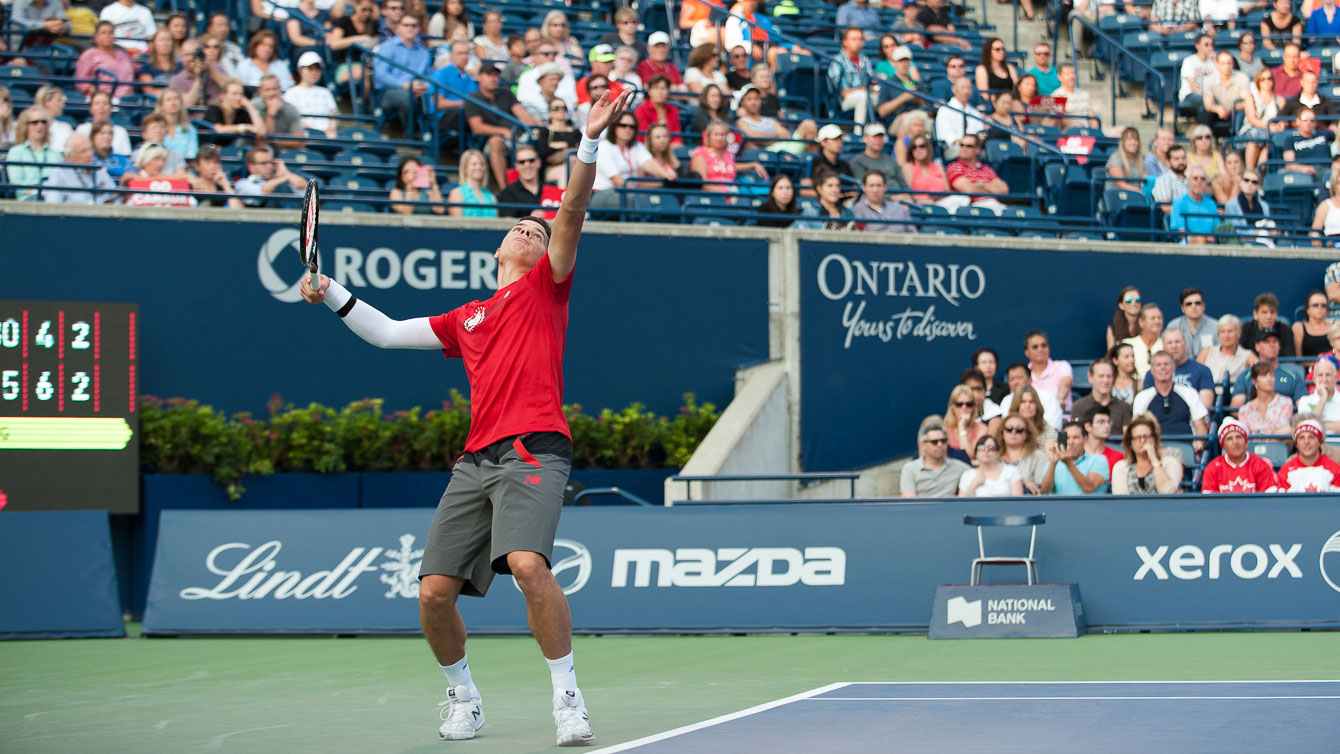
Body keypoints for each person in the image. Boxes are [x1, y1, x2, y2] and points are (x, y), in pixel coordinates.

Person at [298, 90, 630, 748]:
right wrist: (330, 292)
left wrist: (588, 142)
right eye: (522, 228)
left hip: (535, 449)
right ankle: (464, 698)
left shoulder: (547, 287)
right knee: (432, 593)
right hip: (475, 462)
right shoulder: (466, 318)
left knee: (528, 565)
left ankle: (568, 698)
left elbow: (572, 208)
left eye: (539, 232)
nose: (531, 232)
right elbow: (388, 332)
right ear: (499, 248)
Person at [465, 63, 538, 190]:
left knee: (535, 142)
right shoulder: (472, 98)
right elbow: (477, 127)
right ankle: (504, 190)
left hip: (518, 135)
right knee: (495, 142)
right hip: (493, 140)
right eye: (489, 75)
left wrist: (535, 128)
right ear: (479, 77)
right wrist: (503, 131)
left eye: (496, 75)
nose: (493, 78)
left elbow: (522, 114)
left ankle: (533, 188)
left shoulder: (506, 93)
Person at [592, 111, 675, 202]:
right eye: (623, 125)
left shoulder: (637, 146)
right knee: (641, 201)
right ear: (614, 126)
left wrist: (666, 174)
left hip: (627, 193)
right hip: (604, 193)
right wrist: (638, 192)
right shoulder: (604, 146)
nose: (628, 129)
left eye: (632, 127)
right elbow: (617, 180)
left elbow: (649, 163)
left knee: (663, 199)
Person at [1131, 351, 1209, 447]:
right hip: (1154, 449)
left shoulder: (1189, 393)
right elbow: (1137, 429)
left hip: (1186, 448)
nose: (1162, 367)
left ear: (1174, 368)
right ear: (1152, 370)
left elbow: (1200, 425)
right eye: (1158, 365)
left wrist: (1199, 444)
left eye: (1166, 364)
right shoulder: (1142, 397)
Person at [1231, 326, 1306, 407]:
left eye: (1275, 341)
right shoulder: (1245, 375)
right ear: (1257, 346)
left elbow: (1302, 406)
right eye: (1266, 342)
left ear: (1279, 346)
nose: (1272, 345)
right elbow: (1235, 409)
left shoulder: (1293, 376)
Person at [1110, 413, 1185, 494]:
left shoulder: (1169, 462)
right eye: (1137, 437)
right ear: (1130, 443)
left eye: (1146, 436)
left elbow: (1168, 493)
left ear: (1154, 439)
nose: (1142, 441)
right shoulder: (1121, 467)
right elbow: (1121, 498)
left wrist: (1154, 461)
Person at [1141, 328, 1215, 409]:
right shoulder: (1153, 373)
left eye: (1177, 342)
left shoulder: (1202, 370)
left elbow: (1205, 406)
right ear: (1163, 346)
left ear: (1185, 344)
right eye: (1169, 343)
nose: (1174, 346)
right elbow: (1147, 403)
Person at [1200, 418, 1279, 492]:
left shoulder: (1261, 465)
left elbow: (1270, 499)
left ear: (1246, 443)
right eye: (1229, 439)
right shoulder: (1213, 468)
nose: (1235, 442)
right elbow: (1208, 500)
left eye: (1239, 437)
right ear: (1223, 446)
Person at [41, 133, 117, 205]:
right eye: (83, 151)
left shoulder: (99, 171)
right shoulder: (60, 173)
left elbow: (116, 199)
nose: (90, 154)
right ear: (70, 156)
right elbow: (53, 204)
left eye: (90, 149)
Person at [900, 421, 970, 497]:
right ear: (922, 445)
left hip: (950, 505)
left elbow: (975, 473)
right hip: (922, 505)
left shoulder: (958, 467)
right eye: (934, 442)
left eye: (943, 441)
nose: (940, 445)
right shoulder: (910, 469)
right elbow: (908, 499)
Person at [1042, 420, 1111, 495]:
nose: (1071, 442)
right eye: (1067, 438)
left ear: (1085, 439)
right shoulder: (1052, 463)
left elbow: (1089, 488)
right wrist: (1053, 463)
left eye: (1075, 437)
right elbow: (1044, 492)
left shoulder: (1099, 460)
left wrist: (1068, 463)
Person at [6, 108, 61, 201]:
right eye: (35, 122)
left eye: (43, 122)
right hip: (27, 201)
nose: (40, 125)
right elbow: (17, 183)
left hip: (53, 200)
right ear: (25, 126)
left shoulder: (56, 154)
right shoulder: (16, 152)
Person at [945, 135, 1009, 214]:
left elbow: (1003, 189)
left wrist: (979, 184)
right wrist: (990, 189)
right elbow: (969, 190)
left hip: (994, 204)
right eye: (961, 145)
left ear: (977, 149)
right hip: (972, 208)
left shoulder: (985, 168)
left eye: (969, 146)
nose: (964, 148)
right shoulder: (954, 167)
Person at [77, 22, 139, 100]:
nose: (107, 36)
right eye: (103, 33)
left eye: (110, 33)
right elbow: (82, 80)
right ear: (96, 37)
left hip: (128, 99)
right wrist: (100, 95)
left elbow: (137, 68)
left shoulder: (122, 54)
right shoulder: (89, 54)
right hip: (104, 99)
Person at [284, 53, 340, 137]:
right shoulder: (291, 92)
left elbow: (333, 114)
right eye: (310, 68)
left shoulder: (326, 92)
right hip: (304, 135)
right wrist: (315, 133)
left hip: (327, 136)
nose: (314, 72)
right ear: (300, 70)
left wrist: (330, 129)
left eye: (317, 69)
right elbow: (292, 117)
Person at [1072, 358, 1134, 434]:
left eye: (1109, 376)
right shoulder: (1079, 407)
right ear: (1090, 378)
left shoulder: (1124, 407)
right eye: (1101, 376)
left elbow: (1127, 437)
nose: (1105, 381)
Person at [1278, 417, 1340, 491]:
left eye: (1311, 437)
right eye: (1301, 438)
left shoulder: (1334, 469)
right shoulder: (1286, 471)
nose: (1306, 442)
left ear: (1320, 443)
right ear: (1296, 444)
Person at [234, 145, 307, 207]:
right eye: (263, 163)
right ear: (251, 167)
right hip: (264, 218)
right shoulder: (242, 184)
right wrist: (285, 177)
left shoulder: (283, 179)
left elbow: (304, 192)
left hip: (289, 215)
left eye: (271, 162)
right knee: (281, 187)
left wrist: (286, 173)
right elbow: (260, 193)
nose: (269, 167)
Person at [1239, 361, 1296, 438]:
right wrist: (1273, 432)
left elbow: (1285, 430)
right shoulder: (1244, 410)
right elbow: (1244, 436)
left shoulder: (1285, 402)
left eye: (1271, 375)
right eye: (1264, 375)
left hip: (1277, 444)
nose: (1269, 379)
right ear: (1254, 381)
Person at [935, 78, 987, 158]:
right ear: (954, 89)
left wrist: (980, 136)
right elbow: (946, 137)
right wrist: (966, 143)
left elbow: (980, 131)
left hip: (974, 147)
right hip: (954, 147)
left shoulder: (975, 112)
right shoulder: (945, 110)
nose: (966, 91)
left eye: (969, 88)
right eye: (962, 88)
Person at [1240, 69, 1282, 171]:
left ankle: (1258, 173)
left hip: (1270, 133)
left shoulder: (1279, 100)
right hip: (1252, 130)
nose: (1266, 81)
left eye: (1269, 78)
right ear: (1258, 82)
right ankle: (1249, 170)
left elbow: (1282, 120)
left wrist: (1279, 126)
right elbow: (1252, 120)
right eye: (1262, 79)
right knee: (1255, 137)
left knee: (1270, 141)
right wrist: (1269, 127)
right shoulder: (1250, 98)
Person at [997, 413, 1049, 494]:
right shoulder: (993, 456)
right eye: (1009, 429)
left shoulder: (1038, 457)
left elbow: (1041, 488)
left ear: (1027, 434)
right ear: (1002, 432)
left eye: (1019, 430)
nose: (1013, 432)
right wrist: (1022, 481)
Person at [850, 170, 914, 233]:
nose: (875, 190)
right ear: (864, 187)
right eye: (871, 185)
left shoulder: (899, 208)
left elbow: (913, 233)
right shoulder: (857, 210)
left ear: (885, 187)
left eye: (879, 185)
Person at [958, 435, 1024, 496]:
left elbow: (1018, 501)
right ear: (976, 454)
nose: (986, 451)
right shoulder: (967, 475)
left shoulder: (1011, 471)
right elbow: (961, 503)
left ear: (997, 453)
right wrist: (973, 486)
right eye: (981, 448)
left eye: (991, 448)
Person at [204, 79, 264, 146]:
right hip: (209, 148)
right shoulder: (214, 109)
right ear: (223, 96)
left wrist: (250, 106)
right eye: (234, 94)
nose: (239, 98)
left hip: (230, 149)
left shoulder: (241, 113)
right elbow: (219, 129)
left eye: (241, 94)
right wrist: (245, 127)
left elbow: (261, 131)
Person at [1023, 330, 1072, 410]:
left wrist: (1060, 398)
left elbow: (1065, 385)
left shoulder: (1062, 366)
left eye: (1043, 345)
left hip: (1061, 414)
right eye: (1035, 347)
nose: (1040, 349)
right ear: (1027, 352)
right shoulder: (1024, 373)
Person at [1201, 51, 1250, 131]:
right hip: (1216, 112)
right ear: (1217, 63)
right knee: (1205, 112)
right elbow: (1208, 105)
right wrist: (1218, 109)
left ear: (1233, 64)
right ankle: (1206, 136)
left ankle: (1238, 137)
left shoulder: (1242, 77)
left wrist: (1230, 109)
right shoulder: (1208, 80)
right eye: (1223, 63)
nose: (1226, 66)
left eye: (1229, 63)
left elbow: (1246, 101)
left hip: (1235, 111)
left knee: (1244, 112)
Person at [252, 74, 305, 147]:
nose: (272, 93)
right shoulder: (253, 107)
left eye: (275, 89)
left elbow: (299, 141)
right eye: (267, 90)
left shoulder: (290, 108)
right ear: (260, 91)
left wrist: (274, 141)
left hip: (283, 151)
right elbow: (261, 141)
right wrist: (271, 114)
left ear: (280, 89)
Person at [498, 145, 551, 218]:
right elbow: (507, 221)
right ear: (516, 166)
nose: (527, 165)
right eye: (521, 162)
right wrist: (530, 219)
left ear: (539, 163)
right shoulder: (508, 192)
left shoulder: (551, 189)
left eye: (531, 160)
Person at [75, 91, 132, 157]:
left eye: (105, 103)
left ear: (111, 108)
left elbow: (126, 157)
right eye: (97, 103)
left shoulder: (121, 131)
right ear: (91, 108)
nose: (101, 107)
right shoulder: (82, 129)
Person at [187, 143, 244, 208]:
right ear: (197, 166)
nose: (213, 167)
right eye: (207, 163)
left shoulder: (223, 188)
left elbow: (238, 212)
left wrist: (226, 186)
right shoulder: (190, 186)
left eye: (216, 162)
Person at [902, 133, 951, 206]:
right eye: (914, 147)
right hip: (920, 204)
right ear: (911, 151)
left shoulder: (938, 167)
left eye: (922, 146)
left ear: (928, 148)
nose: (918, 150)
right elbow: (907, 194)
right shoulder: (908, 167)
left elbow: (947, 191)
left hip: (942, 203)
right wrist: (924, 200)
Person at [944, 384, 990, 461]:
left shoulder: (981, 429)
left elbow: (968, 456)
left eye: (969, 404)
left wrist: (961, 427)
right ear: (952, 406)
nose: (964, 408)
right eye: (959, 404)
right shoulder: (944, 429)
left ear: (974, 407)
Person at [1282, 108, 1333, 176]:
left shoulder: (1325, 134)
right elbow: (1289, 164)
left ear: (1315, 123)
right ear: (1298, 121)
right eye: (1305, 120)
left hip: (1326, 171)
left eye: (1312, 120)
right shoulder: (1290, 139)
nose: (1308, 123)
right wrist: (1303, 168)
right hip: (1303, 174)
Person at [447, 149, 497, 217]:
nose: (479, 167)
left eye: (482, 164)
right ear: (465, 169)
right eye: (474, 164)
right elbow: (456, 222)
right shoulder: (457, 194)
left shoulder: (491, 197)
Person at [1123, 303, 1165, 383]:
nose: (1157, 321)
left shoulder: (1167, 346)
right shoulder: (1127, 345)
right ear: (1141, 322)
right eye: (1153, 318)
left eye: (1159, 318)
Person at [137, 28, 183, 98]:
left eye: (168, 40)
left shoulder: (181, 66)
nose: (165, 43)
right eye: (161, 40)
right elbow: (149, 91)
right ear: (154, 44)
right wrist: (171, 93)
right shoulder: (146, 68)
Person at [634, 76, 681, 142]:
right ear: (649, 91)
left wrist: (675, 144)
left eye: (663, 88)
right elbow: (643, 136)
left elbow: (677, 136)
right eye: (655, 88)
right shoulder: (641, 109)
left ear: (668, 91)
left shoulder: (673, 109)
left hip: (670, 146)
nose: (660, 92)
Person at [1176, 34, 1216, 113]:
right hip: (1190, 95)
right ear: (1198, 46)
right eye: (1206, 45)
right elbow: (1193, 87)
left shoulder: (1213, 62)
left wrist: (1216, 61)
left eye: (1212, 45)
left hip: (1209, 96)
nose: (1210, 48)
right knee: (1205, 100)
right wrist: (1209, 97)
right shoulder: (1189, 61)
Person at [1298, 356, 1340, 428]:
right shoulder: (1304, 401)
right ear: (1314, 379)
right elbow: (1309, 427)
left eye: (1328, 375)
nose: (1324, 379)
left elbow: (1311, 425)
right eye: (1320, 375)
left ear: (1335, 378)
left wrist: (1318, 424)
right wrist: (1323, 399)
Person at [1083, 404, 1125, 473]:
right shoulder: (1077, 453)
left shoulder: (1117, 456)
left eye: (1109, 422)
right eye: (1101, 422)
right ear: (1088, 426)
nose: (1107, 426)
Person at [1151, 145, 1189, 212]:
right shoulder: (1163, 180)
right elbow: (1165, 207)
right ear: (1168, 162)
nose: (1181, 162)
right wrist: (1189, 212)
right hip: (1176, 218)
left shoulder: (1191, 180)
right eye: (1176, 159)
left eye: (1183, 158)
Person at [1106, 127, 1146, 191]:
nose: (1133, 143)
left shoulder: (1141, 159)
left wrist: (1144, 191)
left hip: (1136, 194)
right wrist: (1139, 192)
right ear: (1123, 142)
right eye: (1129, 140)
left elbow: (1143, 182)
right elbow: (1121, 185)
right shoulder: (1115, 158)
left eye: (1136, 140)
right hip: (1118, 194)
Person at [1295, 290, 1334, 357]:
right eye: (1315, 305)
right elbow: (1298, 357)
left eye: (1323, 305)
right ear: (1307, 309)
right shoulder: (1298, 327)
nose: (1320, 308)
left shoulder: (1335, 326)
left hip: (1332, 363)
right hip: (1307, 364)